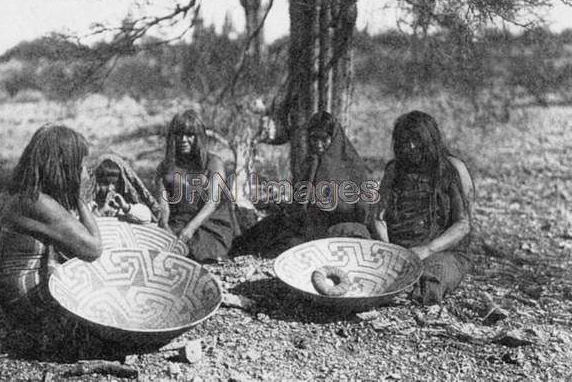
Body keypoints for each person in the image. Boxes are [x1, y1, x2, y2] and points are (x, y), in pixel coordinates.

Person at [0, 124, 102, 330]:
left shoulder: (28, 195)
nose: (83, 170)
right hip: (26, 305)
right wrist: (81, 198)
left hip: (16, 300)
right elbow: (93, 249)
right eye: (79, 164)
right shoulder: (37, 203)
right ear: (64, 165)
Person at [233, 111, 375, 256]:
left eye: (323, 139)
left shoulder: (352, 166)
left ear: (334, 138)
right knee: (266, 229)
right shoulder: (311, 163)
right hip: (309, 226)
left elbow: (360, 210)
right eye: (313, 138)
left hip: (338, 229)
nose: (318, 144)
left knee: (289, 247)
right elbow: (301, 204)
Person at [373, 110, 475, 305]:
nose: (410, 147)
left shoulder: (450, 170)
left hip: (439, 250)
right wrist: (389, 250)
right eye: (405, 142)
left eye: (416, 141)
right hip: (397, 247)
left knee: (433, 273)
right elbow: (379, 217)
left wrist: (427, 249)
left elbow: (463, 224)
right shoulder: (394, 169)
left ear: (429, 141)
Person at [155, 109, 237, 262]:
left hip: (209, 225)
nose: (183, 140)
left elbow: (212, 203)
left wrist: (189, 230)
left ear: (199, 137)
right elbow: (163, 206)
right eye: (179, 134)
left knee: (197, 253)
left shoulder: (214, 163)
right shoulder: (165, 167)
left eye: (190, 135)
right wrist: (164, 227)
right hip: (177, 223)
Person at [91, 153, 160, 224]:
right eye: (105, 184)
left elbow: (147, 217)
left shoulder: (119, 208)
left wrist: (126, 207)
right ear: (96, 183)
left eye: (114, 184)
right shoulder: (90, 206)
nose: (110, 189)